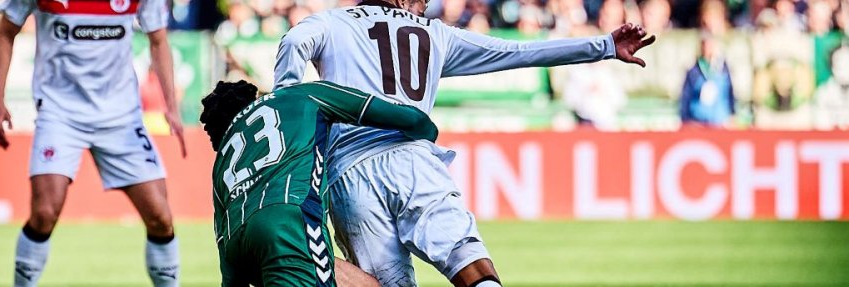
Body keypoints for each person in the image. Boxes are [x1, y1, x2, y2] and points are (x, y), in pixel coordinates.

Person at [273, 0, 655, 286]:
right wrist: (604, 45)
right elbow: (517, 53)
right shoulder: (434, 34)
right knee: (469, 263)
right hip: (414, 161)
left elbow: (294, 41)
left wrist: (285, 97)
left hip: (350, 178)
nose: (424, 5)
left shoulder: (331, 22)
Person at [0, 0, 187, 286]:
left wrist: (171, 107)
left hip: (121, 117)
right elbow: (6, 32)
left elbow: (158, 40)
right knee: (44, 213)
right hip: (60, 113)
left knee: (160, 216)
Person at [200, 80, 436, 286]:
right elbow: (406, 118)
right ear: (254, 98)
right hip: (289, 220)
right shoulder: (300, 94)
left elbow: (226, 251)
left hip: (239, 245)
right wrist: (426, 132)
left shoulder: (221, 162)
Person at [679, 34, 736, 127]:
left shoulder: (723, 68)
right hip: (698, 122)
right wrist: (685, 119)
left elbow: (730, 92)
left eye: (711, 46)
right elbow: (686, 96)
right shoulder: (694, 70)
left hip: (721, 120)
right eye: (705, 46)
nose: (708, 49)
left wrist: (733, 113)